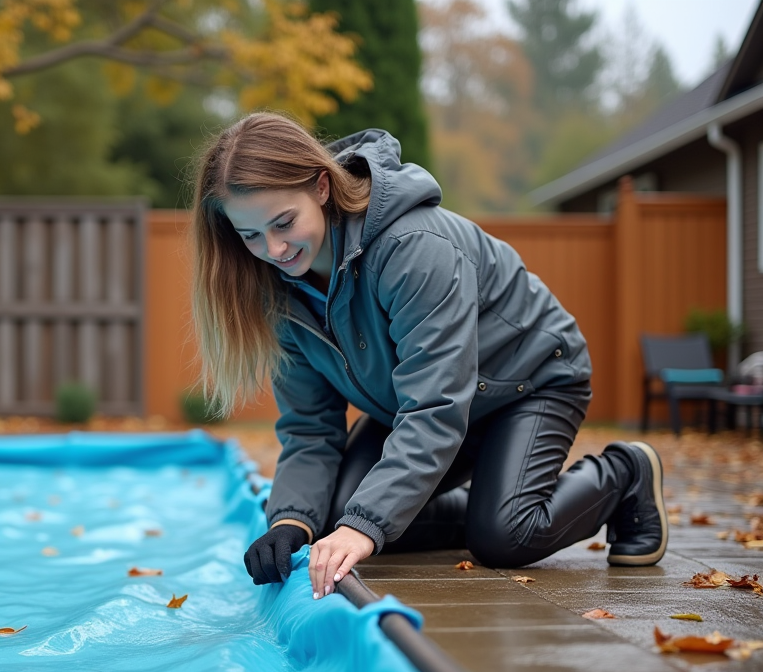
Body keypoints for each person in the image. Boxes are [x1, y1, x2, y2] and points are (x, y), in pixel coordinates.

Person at [190, 112, 668, 600]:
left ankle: (624, 474)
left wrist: (366, 525)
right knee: (335, 520)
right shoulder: (279, 292)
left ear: (321, 188)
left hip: (528, 381)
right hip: (415, 404)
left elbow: (436, 405)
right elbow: (311, 427)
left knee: (503, 536)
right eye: (250, 235)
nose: (272, 248)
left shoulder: (413, 246)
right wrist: (291, 520)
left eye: (283, 222)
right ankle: (486, 505)